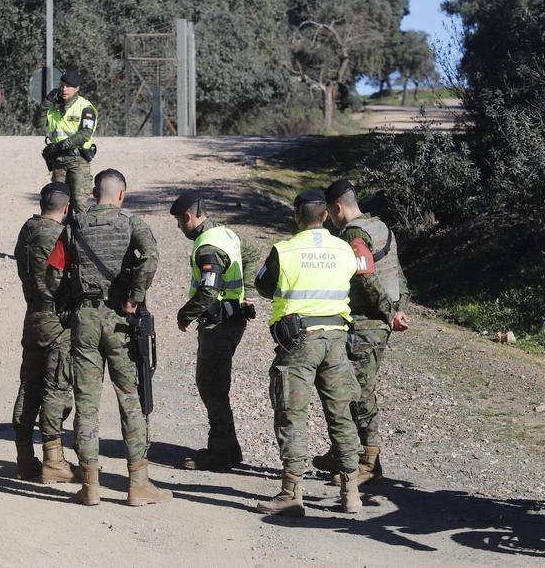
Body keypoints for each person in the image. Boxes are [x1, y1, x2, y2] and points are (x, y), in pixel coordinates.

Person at [63, 169, 171, 506]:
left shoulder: (74, 224)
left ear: (96, 192)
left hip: (84, 320)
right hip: (119, 321)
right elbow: (151, 259)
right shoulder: (132, 223)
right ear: (121, 194)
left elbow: (59, 270)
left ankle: (91, 486)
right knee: (129, 399)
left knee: (87, 403)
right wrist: (133, 298)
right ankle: (138, 484)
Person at [253, 188, 363, 516]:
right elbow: (353, 279)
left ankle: (291, 493)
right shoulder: (344, 248)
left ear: (296, 216)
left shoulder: (285, 250)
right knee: (341, 415)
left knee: (292, 414)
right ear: (326, 215)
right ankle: (351, 492)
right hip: (336, 339)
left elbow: (263, 285)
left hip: (299, 341)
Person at [312, 179, 411, 486]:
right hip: (379, 321)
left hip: (366, 325)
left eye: (330, 212)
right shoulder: (381, 226)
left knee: (358, 393)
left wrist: (388, 312)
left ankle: (367, 462)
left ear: (337, 207)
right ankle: (343, 452)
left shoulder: (354, 234)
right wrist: (399, 306)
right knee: (353, 389)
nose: (330, 219)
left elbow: (366, 278)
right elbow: (398, 272)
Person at [169, 193, 263, 471]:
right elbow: (252, 253)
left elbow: (209, 289)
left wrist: (186, 314)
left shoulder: (207, 246)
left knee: (212, 385)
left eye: (178, 221)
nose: (178, 227)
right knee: (215, 384)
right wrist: (247, 290)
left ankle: (220, 452)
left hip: (219, 324)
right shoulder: (225, 233)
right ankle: (229, 448)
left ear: (188, 216)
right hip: (232, 320)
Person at [10, 182, 78, 482]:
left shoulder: (27, 231)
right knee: (56, 388)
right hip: (56, 322)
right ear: (66, 208)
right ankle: (53, 460)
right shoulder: (58, 236)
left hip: (33, 316)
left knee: (29, 386)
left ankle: (24, 458)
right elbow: (62, 279)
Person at [41, 70, 97, 214]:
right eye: (62, 85)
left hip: (78, 162)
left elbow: (85, 134)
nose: (64, 89)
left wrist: (59, 146)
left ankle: (81, 235)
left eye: (69, 86)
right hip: (59, 162)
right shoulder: (54, 106)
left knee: (79, 204)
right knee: (57, 204)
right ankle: (60, 236)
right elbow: (37, 122)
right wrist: (46, 103)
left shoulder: (85, 107)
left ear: (77, 88)